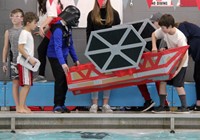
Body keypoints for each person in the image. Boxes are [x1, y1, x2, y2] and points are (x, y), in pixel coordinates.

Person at [86, 0, 121, 113]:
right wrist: (90, 50)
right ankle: (94, 104)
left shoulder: (114, 14)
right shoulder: (91, 14)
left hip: (111, 51)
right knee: (95, 77)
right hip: (96, 50)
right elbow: (89, 33)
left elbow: (118, 33)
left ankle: (105, 104)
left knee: (108, 77)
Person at [151, 14, 189, 112]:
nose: (161, 29)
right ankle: (162, 106)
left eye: (163, 27)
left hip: (181, 62)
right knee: (162, 82)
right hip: (170, 61)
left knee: (178, 85)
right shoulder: (163, 31)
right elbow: (154, 35)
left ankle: (185, 107)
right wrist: (154, 47)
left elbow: (184, 55)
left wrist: (178, 69)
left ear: (170, 26)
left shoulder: (180, 37)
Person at [47, 5, 80, 113]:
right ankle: (57, 105)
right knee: (60, 80)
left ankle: (62, 104)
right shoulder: (58, 29)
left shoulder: (68, 28)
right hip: (55, 56)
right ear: (69, 17)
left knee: (65, 81)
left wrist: (76, 59)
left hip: (62, 56)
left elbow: (70, 45)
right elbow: (57, 47)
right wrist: (62, 63)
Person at [33, 0, 63, 82]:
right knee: (42, 50)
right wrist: (43, 30)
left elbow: (52, 17)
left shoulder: (50, 1)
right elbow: (52, 21)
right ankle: (42, 75)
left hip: (57, 29)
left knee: (46, 51)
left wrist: (41, 27)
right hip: (54, 29)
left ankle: (43, 75)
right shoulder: (52, 2)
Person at [2, 8, 24, 112]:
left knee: (25, 84)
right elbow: (6, 47)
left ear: (22, 18)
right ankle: (17, 105)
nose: (14, 18)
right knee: (15, 83)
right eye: (13, 16)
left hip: (25, 61)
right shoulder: (8, 32)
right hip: (14, 61)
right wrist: (4, 62)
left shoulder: (25, 30)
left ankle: (23, 104)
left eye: (17, 16)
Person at [175, 21, 200, 111]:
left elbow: (183, 46)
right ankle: (198, 103)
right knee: (197, 77)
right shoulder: (190, 30)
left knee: (198, 77)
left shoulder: (182, 27)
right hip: (198, 56)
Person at [17, 12, 39, 113]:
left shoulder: (28, 33)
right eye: (35, 23)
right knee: (26, 85)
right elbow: (20, 48)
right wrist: (29, 58)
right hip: (24, 63)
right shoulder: (24, 33)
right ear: (28, 23)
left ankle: (23, 105)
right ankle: (20, 107)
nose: (36, 25)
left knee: (28, 85)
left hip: (27, 64)